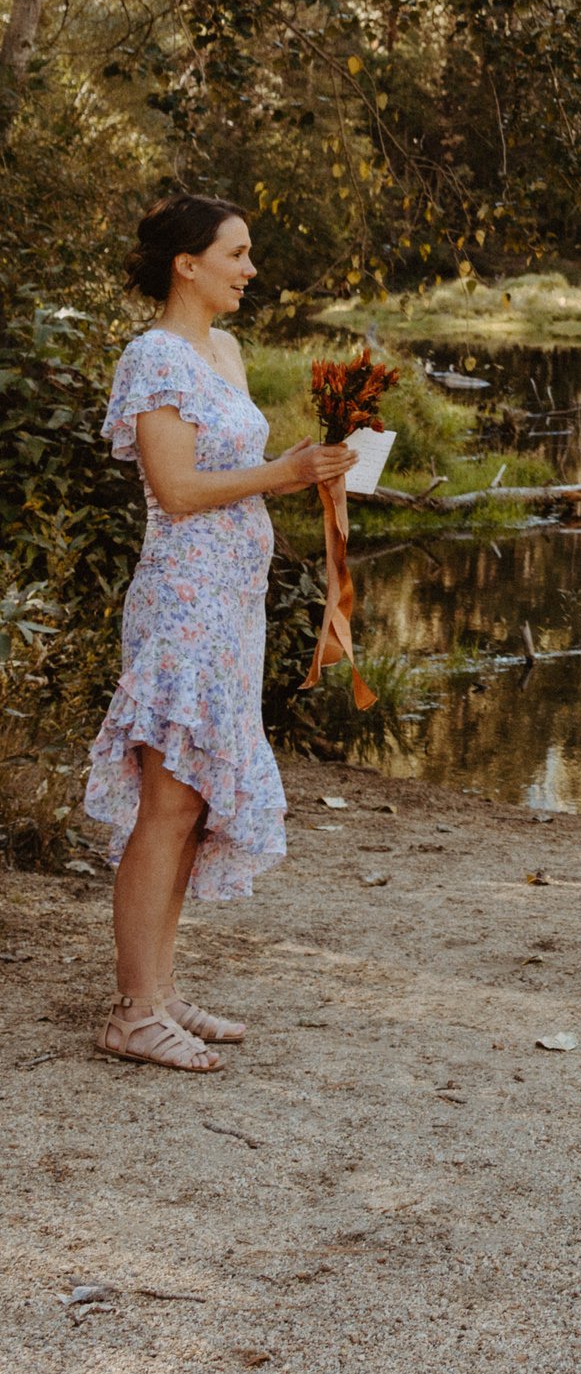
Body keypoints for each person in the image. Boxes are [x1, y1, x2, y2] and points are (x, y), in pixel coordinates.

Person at [84, 196, 354, 1072]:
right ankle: (133, 1012)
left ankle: (160, 994)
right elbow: (179, 491)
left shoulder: (225, 351)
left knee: (194, 801)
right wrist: (281, 473)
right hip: (183, 603)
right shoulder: (153, 357)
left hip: (234, 604)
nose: (248, 269)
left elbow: (238, 469)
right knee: (167, 802)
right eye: (236, 254)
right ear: (186, 265)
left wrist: (316, 472)